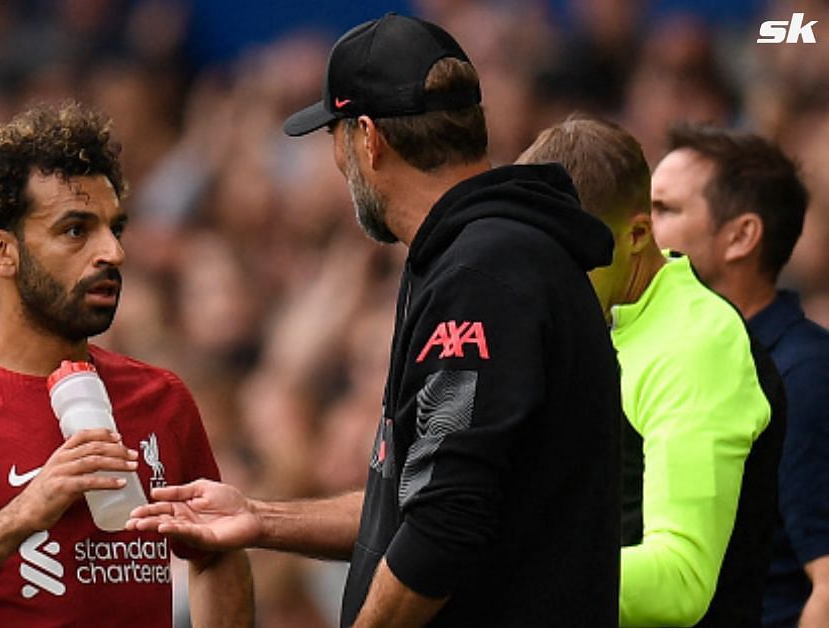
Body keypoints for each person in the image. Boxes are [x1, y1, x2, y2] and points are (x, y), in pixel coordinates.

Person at [128, 14, 623, 627]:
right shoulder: (483, 256)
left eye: (333, 137)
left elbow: (445, 526)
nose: (336, 161)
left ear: (367, 138)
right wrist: (261, 519)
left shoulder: (485, 273)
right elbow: (418, 502)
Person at [0, 102, 252, 627]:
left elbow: (216, 553)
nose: (112, 252)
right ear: (0, 251)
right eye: (76, 231)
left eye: (114, 228)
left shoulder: (161, 399)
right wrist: (21, 516)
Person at [518, 116, 786, 627]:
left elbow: (680, 580)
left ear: (638, 234)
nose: (547, 277)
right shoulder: (586, 316)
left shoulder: (697, 342)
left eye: (568, 256)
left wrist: (516, 578)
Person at [650, 124, 829, 628]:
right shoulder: (673, 356)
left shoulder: (802, 375)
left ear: (741, 236)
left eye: (666, 209)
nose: (641, 227)